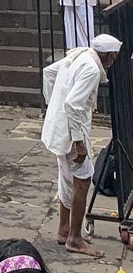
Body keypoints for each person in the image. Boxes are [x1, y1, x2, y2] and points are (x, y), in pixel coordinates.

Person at [41, 32, 122, 258]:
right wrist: (79, 142)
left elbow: (49, 74)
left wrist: (52, 105)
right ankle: (75, 239)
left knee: (66, 177)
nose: (113, 62)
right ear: (108, 55)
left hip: (58, 127)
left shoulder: (80, 54)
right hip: (69, 134)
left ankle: (64, 229)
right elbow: (74, 105)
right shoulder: (91, 68)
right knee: (83, 179)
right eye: (113, 57)